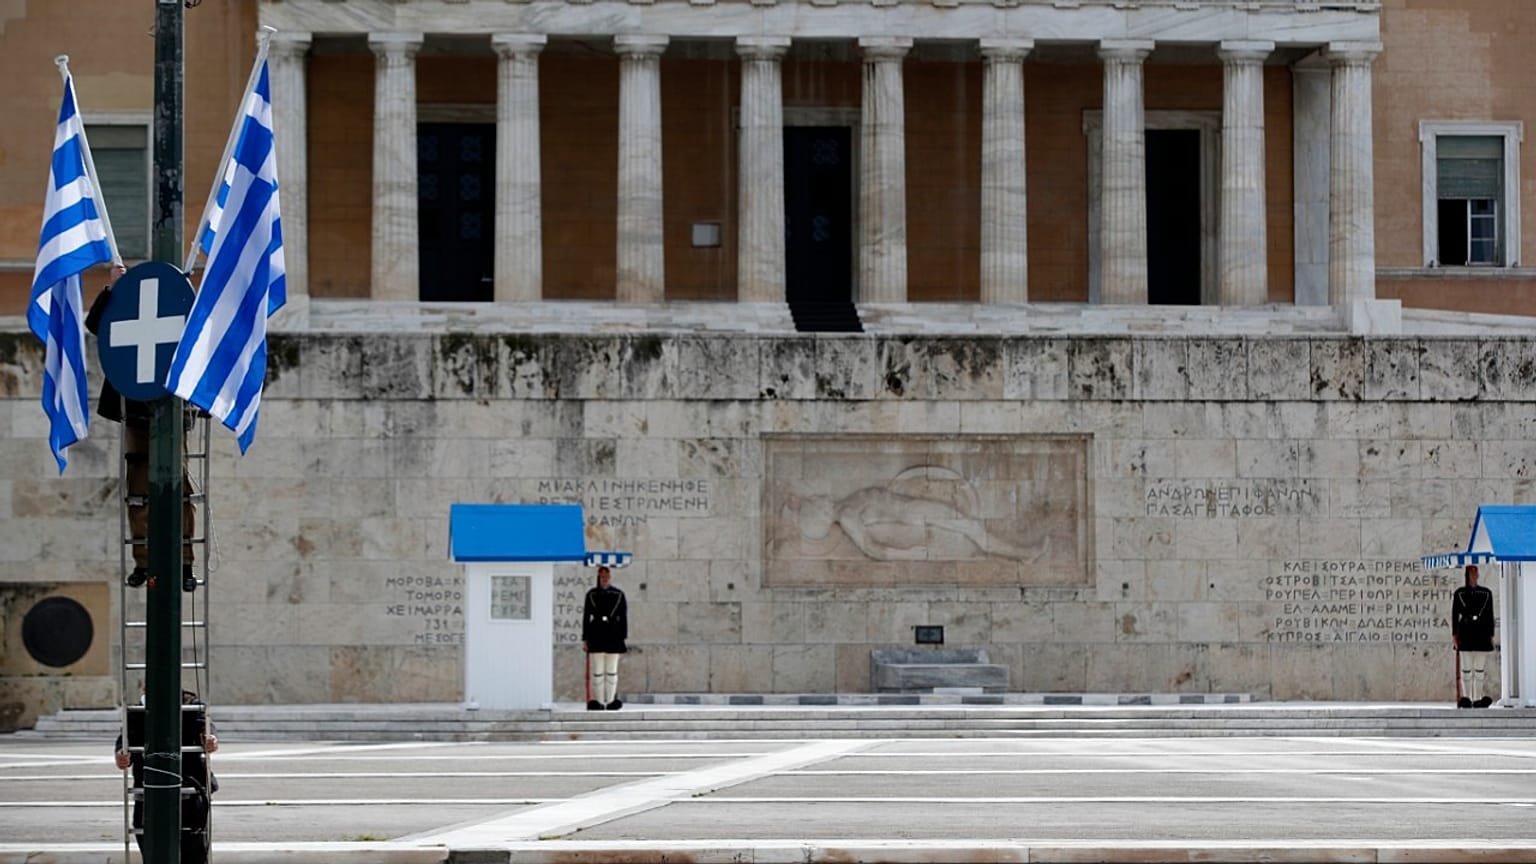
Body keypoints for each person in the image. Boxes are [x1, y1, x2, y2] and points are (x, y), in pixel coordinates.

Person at [84, 265, 197, 592]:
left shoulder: (182, 300)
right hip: (132, 404)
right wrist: (112, 291)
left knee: (180, 488)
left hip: (171, 407)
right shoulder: (122, 301)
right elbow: (95, 325)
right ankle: (143, 561)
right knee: (138, 489)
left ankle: (185, 561)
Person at [114, 689, 219, 864]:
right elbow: (124, 741)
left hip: (190, 788)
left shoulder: (192, 707)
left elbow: (205, 727)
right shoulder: (137, 712)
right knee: (148, 841)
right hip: (148, 790)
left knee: (193, 848)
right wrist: (121, 755)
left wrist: (209, 739)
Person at [582, 565, 628, 711]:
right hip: (596, 634)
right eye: (602, 576)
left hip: (613, 635)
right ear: (598, 577)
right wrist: (585, 638)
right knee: (598, 671)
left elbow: (623, 618)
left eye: (606, 576)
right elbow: (586, 617)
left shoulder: (618, 594)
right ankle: (600, 701)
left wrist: (622, 637)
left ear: (610, 577)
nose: (604, 579)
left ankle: (610, 700)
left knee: (611, 670)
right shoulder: (591, 595)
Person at [1452, 564, 1496, 708]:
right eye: (1471, 572)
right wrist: (1454, 635)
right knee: (1466, 670)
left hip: (1481, 634)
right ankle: (1467, 697)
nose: (1474, 575)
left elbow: (1490, 616)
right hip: (1465, 634)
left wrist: (1491, 634)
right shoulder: (1459, 594)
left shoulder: (1486, 593)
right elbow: (1454, 616)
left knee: (1479, 670)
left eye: (1476, 572)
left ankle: (1477, 698)